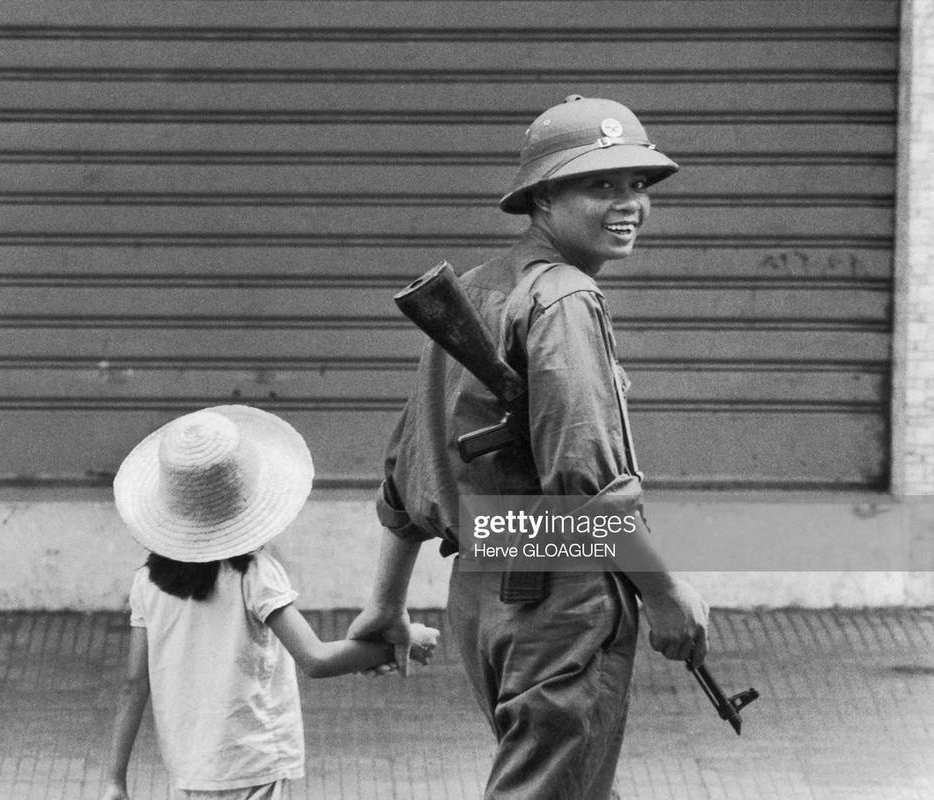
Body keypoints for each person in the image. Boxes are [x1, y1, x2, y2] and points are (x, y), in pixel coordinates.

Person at [347, 95, 711, 799]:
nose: (627, 202)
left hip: (485, 599)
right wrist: (664, 595)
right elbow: (589, 489)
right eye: (599, 185)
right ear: (542, 198)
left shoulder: (478, 293)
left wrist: (385, 604)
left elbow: (406, 476)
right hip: (559, 602)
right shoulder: (564, 301)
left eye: (637, 184)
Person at [100, 406, 439, 800]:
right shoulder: (253, 574)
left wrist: (115, 780)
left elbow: (133, 684)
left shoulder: (146, 583)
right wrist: (404, 641)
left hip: (187, 773)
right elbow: (315, 659)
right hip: (252, 764)